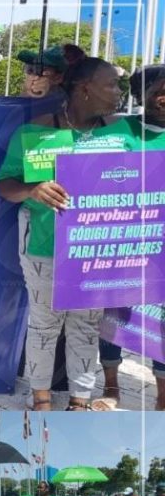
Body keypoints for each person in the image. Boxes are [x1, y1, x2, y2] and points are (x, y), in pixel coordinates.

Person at [0, 53, 127, 411]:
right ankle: (40, 398)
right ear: (85, 89)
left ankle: (80, 400)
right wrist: (32, 190)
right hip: (42, 245)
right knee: (44, 324)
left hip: (95, 250)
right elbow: (5, 184)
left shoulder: (123, 133)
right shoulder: (35, 132)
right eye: (111, 84)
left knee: (86, 326)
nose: (118, 91)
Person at [100, 64, 165, 412]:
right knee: (114, 316)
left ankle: (162, 395)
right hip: (120, 241)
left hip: (163, 249)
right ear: (141, 96)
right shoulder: (118, 130)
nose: (163, 96)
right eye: (157, 89)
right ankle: (111, 386)